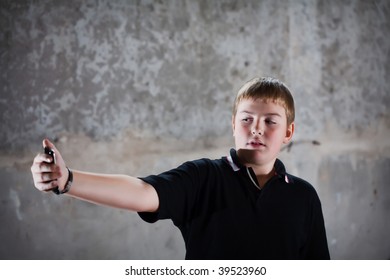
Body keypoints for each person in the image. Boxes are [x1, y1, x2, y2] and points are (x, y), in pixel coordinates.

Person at [31, 77, 330, 260]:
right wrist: (69, 180)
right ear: (233, 125)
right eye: (246, 119)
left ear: (288, 132)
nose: (256, 129)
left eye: (270, 121)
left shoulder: (304, 197)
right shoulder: (204, 177)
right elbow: (143, 191)